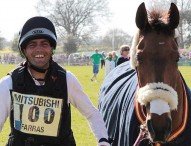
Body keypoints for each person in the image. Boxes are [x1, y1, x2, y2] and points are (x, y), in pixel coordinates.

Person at [0, 16, 111, 146]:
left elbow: (91, 113)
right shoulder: (8, 83)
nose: (39, 49)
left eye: (44, 44)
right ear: (24, 50)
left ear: (52, 48)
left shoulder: (67, 80)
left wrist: (103, 141)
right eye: (32, 45)